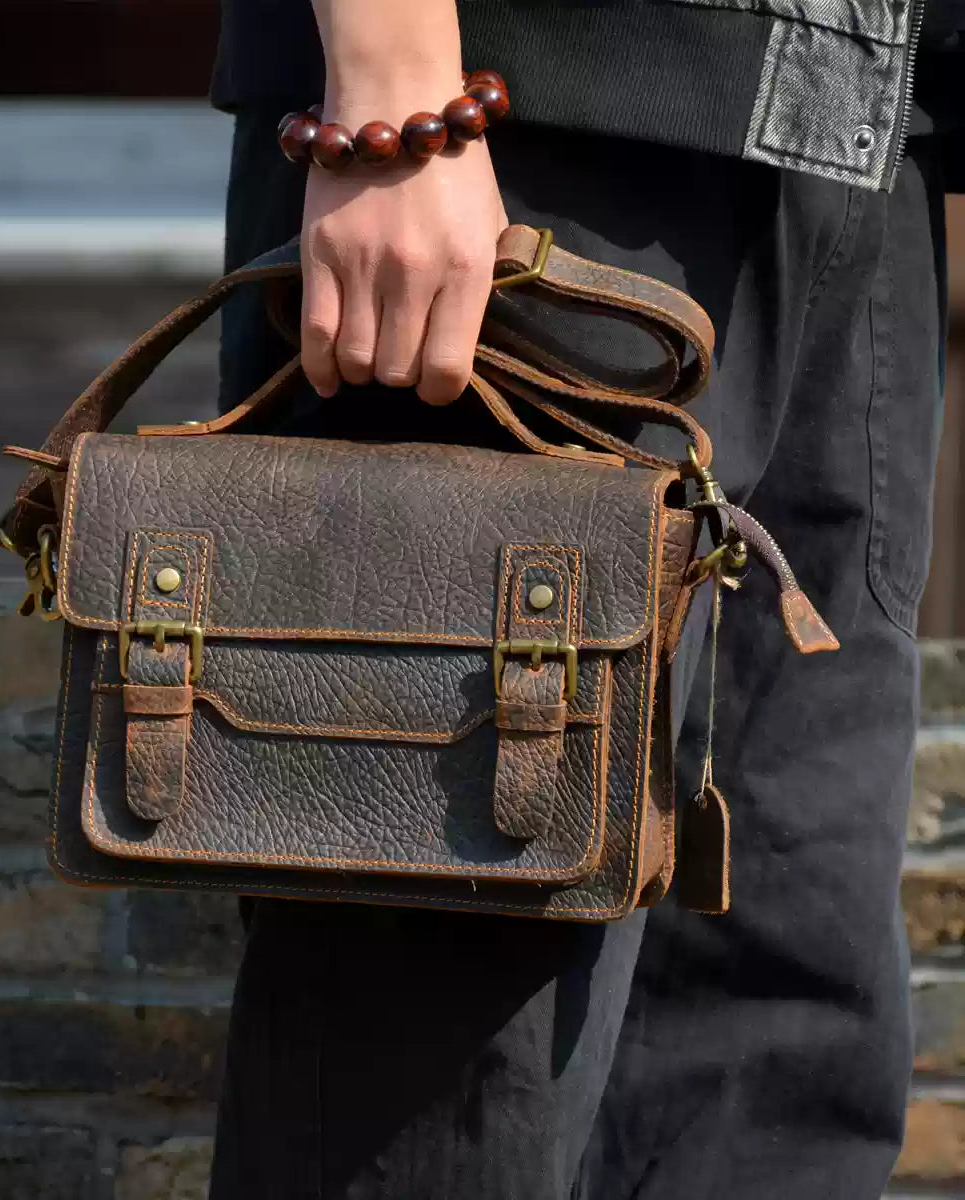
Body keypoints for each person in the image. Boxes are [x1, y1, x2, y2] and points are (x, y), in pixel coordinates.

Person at [206, 2, 964, 1196]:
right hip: (526, 116)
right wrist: (398, 88)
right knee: (442, 1066)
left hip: (867, 128)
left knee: (786, 1016)